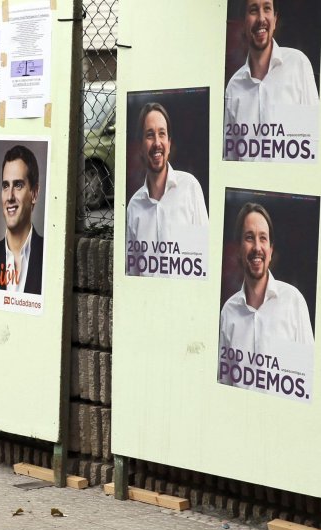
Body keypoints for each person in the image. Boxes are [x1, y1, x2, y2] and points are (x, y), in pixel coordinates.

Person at [218, 202, 314, 388]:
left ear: (271, 250)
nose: (257, 247)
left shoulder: (293, 302)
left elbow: (310, 380)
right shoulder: (228, 311)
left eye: (263, 238)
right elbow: (225, 384)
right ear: (238, 249)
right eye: (249, 237)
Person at [224, 0, 319, 161]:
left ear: (275, 20)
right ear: (244, 23)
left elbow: (315, 143)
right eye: (253, 10)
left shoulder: (298, 65)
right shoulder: (234, 87)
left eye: (267, 9)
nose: (261, 18)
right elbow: (231, 159)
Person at [125, 103, 208, 277]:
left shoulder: (190, 188)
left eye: (162, 134)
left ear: (169, 144)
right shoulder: (134, 207)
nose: (157, 143)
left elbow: (203, 263)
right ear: (140, 146)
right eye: (149, 135)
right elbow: (132, 275)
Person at [0, 145, 45, 294]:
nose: (10, 196)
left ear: (34, 193)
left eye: (18, 185)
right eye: (6, 186)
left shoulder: (47, 256)